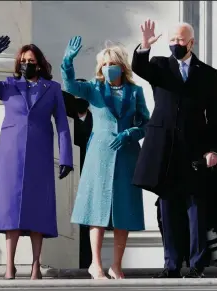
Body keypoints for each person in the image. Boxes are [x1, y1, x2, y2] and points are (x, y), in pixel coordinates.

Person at [0, 36, 73, 280]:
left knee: (38, 209)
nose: (27, 63)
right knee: (11, 211)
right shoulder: (8, 86)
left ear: (39, 64)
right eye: (23, 60)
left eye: (32, 60)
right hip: (10, 155)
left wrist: (67, 157)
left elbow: (61, 124)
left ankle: (36, 264)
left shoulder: (52, 89)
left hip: (39, 154)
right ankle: (10, 265)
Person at [131, 20, 217, 278]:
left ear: (191, 43)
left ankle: (196, 265)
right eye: (172, 40)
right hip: (164, 150)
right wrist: (144, 46)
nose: (175, 44)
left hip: (194, 150)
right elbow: (139, 67)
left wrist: (213, 149)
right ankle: (171, 265)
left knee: (196, 208)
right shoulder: (160, 65)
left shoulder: (207, 73)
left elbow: (214, 117)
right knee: (168, 208)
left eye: (180, 40)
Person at [61, 36, 150, 279]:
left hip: (127, 154)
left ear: (122, 66)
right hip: (100, 153)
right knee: (96, 210)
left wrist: (132, 133)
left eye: (113, 64)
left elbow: (145, 121)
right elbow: (70, 86)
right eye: (104, 65)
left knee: (124, 210)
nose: (108, 68)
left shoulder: (135, 91)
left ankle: (116, 265)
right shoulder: (94, 88)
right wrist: (67, 62)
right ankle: (96, 264)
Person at [62, 81, 93, 269]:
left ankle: (88, 261)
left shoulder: (96, 118)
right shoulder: (66, 119)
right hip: (71, 173)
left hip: (90, 173)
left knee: (88, 220)